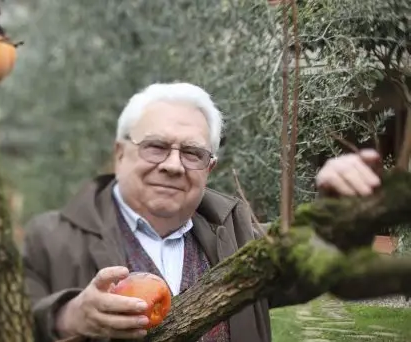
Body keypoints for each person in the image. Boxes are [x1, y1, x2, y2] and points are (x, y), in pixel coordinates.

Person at [21, 82, 382, 342]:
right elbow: (7, 324)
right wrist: (68, 317)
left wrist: (341, 214)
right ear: (120, 153)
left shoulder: (238, 232)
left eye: (192, 153)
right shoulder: (52, 239)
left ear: (209, 168)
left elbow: (308, 271)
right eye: (156, 147)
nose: (173, 165)